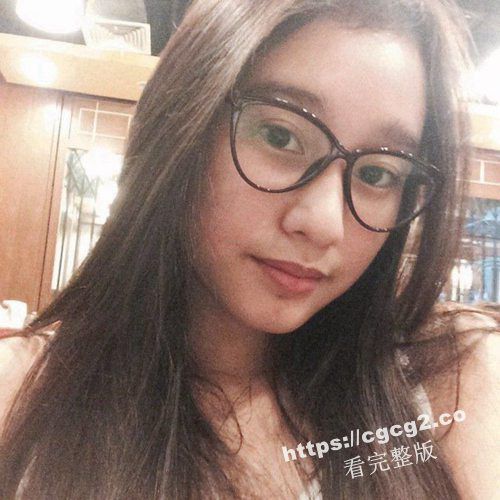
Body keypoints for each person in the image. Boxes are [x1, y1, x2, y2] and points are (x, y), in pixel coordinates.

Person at [0, 0, 499, 498]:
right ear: (183, 124)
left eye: (377, 173)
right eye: (280, 136)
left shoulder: (448, 379)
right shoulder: (20, 393)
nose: (324, 225)